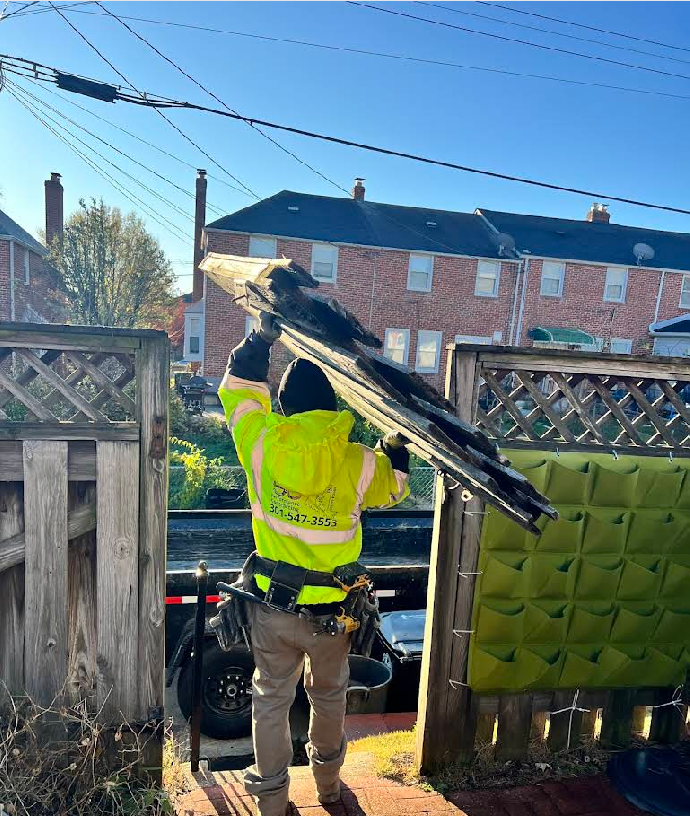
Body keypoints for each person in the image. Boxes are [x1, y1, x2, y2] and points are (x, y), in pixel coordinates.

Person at [218, 312, 410, 816]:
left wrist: (259, 341)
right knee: (328, 698)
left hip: (273, 608)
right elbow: (395, 488)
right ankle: (327, 788)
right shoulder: (360, 461)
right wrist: (396, 449)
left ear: (283, 405)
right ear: (332, 406)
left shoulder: (261, 444)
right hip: (333, 615)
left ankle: (273, 803)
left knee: (270, 701)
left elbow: (237, 391)